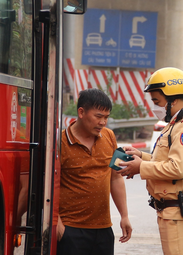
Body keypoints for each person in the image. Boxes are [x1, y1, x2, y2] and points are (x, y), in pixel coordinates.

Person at [119, 67, 183, 255]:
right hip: (171, 212)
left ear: (173, 100)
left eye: (157, 101)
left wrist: (140, 167)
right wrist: (141, 156)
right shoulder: (176, 123)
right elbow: (167, 159)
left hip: (177, 213)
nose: (155, 107)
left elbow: (177, 168)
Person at [57, 88, 132, 254]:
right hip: (71, 230)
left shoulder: (110, 136)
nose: (103, 122)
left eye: (106, 117)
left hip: (104, 229)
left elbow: (116, 178)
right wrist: (58, 223)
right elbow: (48, 185)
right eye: (98, 116)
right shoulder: (59, 141)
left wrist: (124, 216)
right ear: (81, 112)